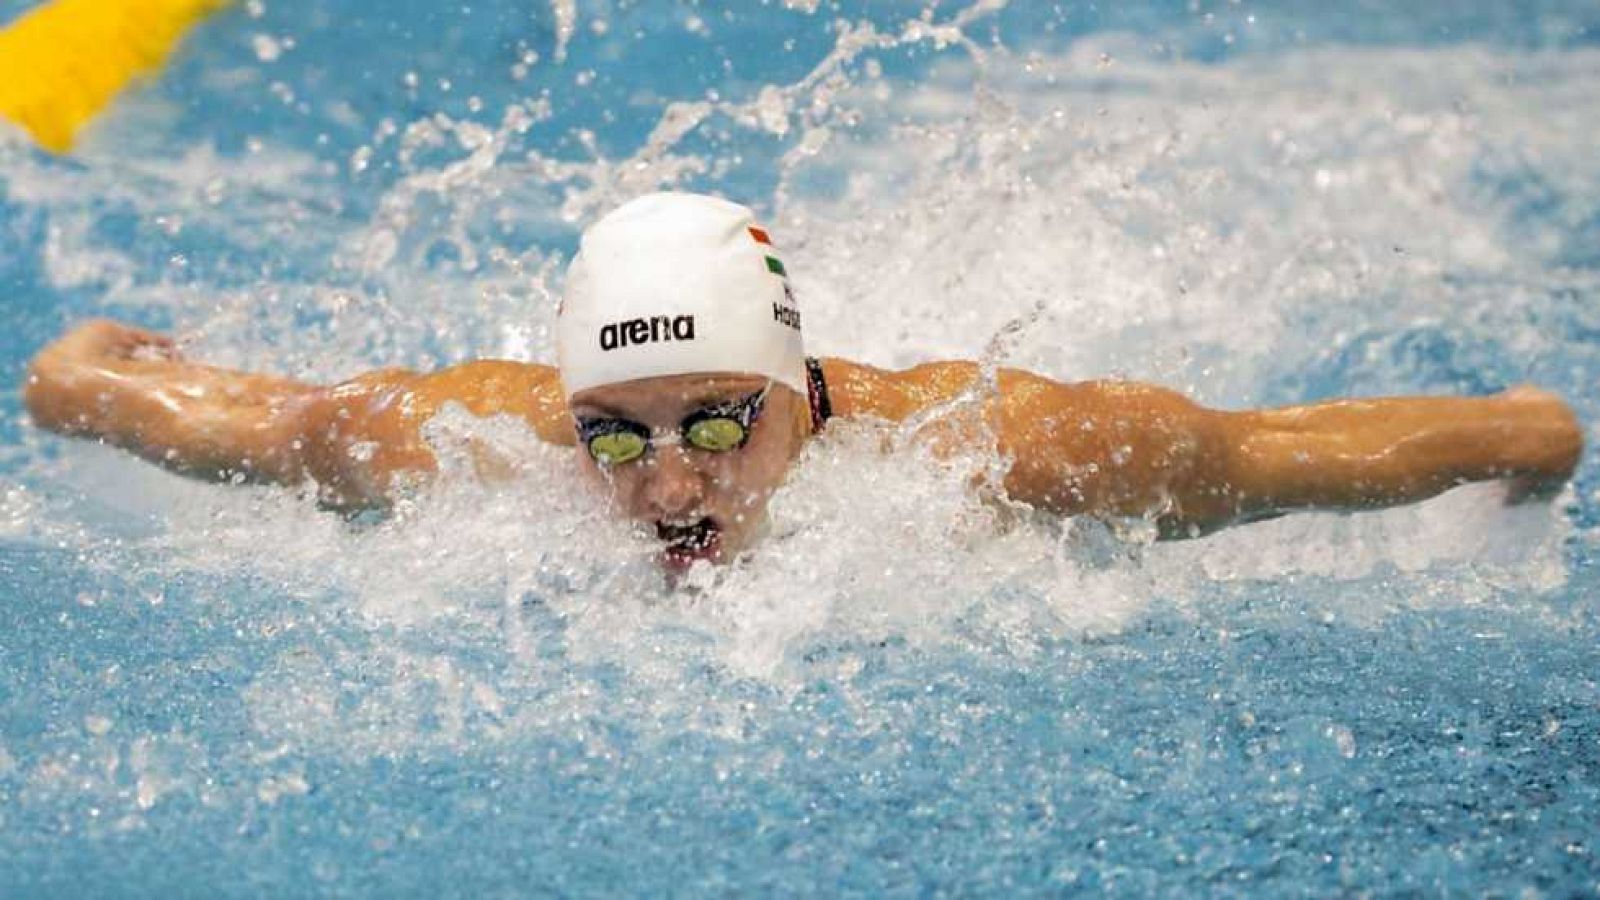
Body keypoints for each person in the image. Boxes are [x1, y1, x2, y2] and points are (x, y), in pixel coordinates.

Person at [22, 192, 1584, 574]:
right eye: (610, 438)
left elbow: (1265, 452)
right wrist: (83, 372)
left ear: (804, 395)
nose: (672, 488)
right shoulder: (451, 436)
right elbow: (254, 421)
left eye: (718, 420)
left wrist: (1525, 435)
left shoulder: (1007, 450)